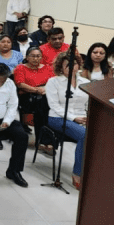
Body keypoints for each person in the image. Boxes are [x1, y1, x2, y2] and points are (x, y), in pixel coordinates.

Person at [45, 51, 89, 190]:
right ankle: (77, 173)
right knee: (84, 135)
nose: (71, 67)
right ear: (60, 67)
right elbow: (54, 106)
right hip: (58, 118)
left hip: (82, 117)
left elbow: (88, 104)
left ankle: (92, 172)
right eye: (67, 64)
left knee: (100, 134)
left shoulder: (86, 83)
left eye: (74, 63)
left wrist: (88, 118)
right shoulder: (53, 82)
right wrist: (73, 118)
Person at [14, 46, 55, 140]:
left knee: (47, 105)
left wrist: (44, 90)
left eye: (38, 56)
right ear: (27, 57)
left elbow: (53, 82)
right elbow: (20, 84)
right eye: (33, 56)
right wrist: (36, 90)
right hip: (27, 97)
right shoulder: (21, 68)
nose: (35, 59)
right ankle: (42, 139)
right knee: (42, 106)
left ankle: (47, 138)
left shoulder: (47, 68)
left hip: (44, 95)